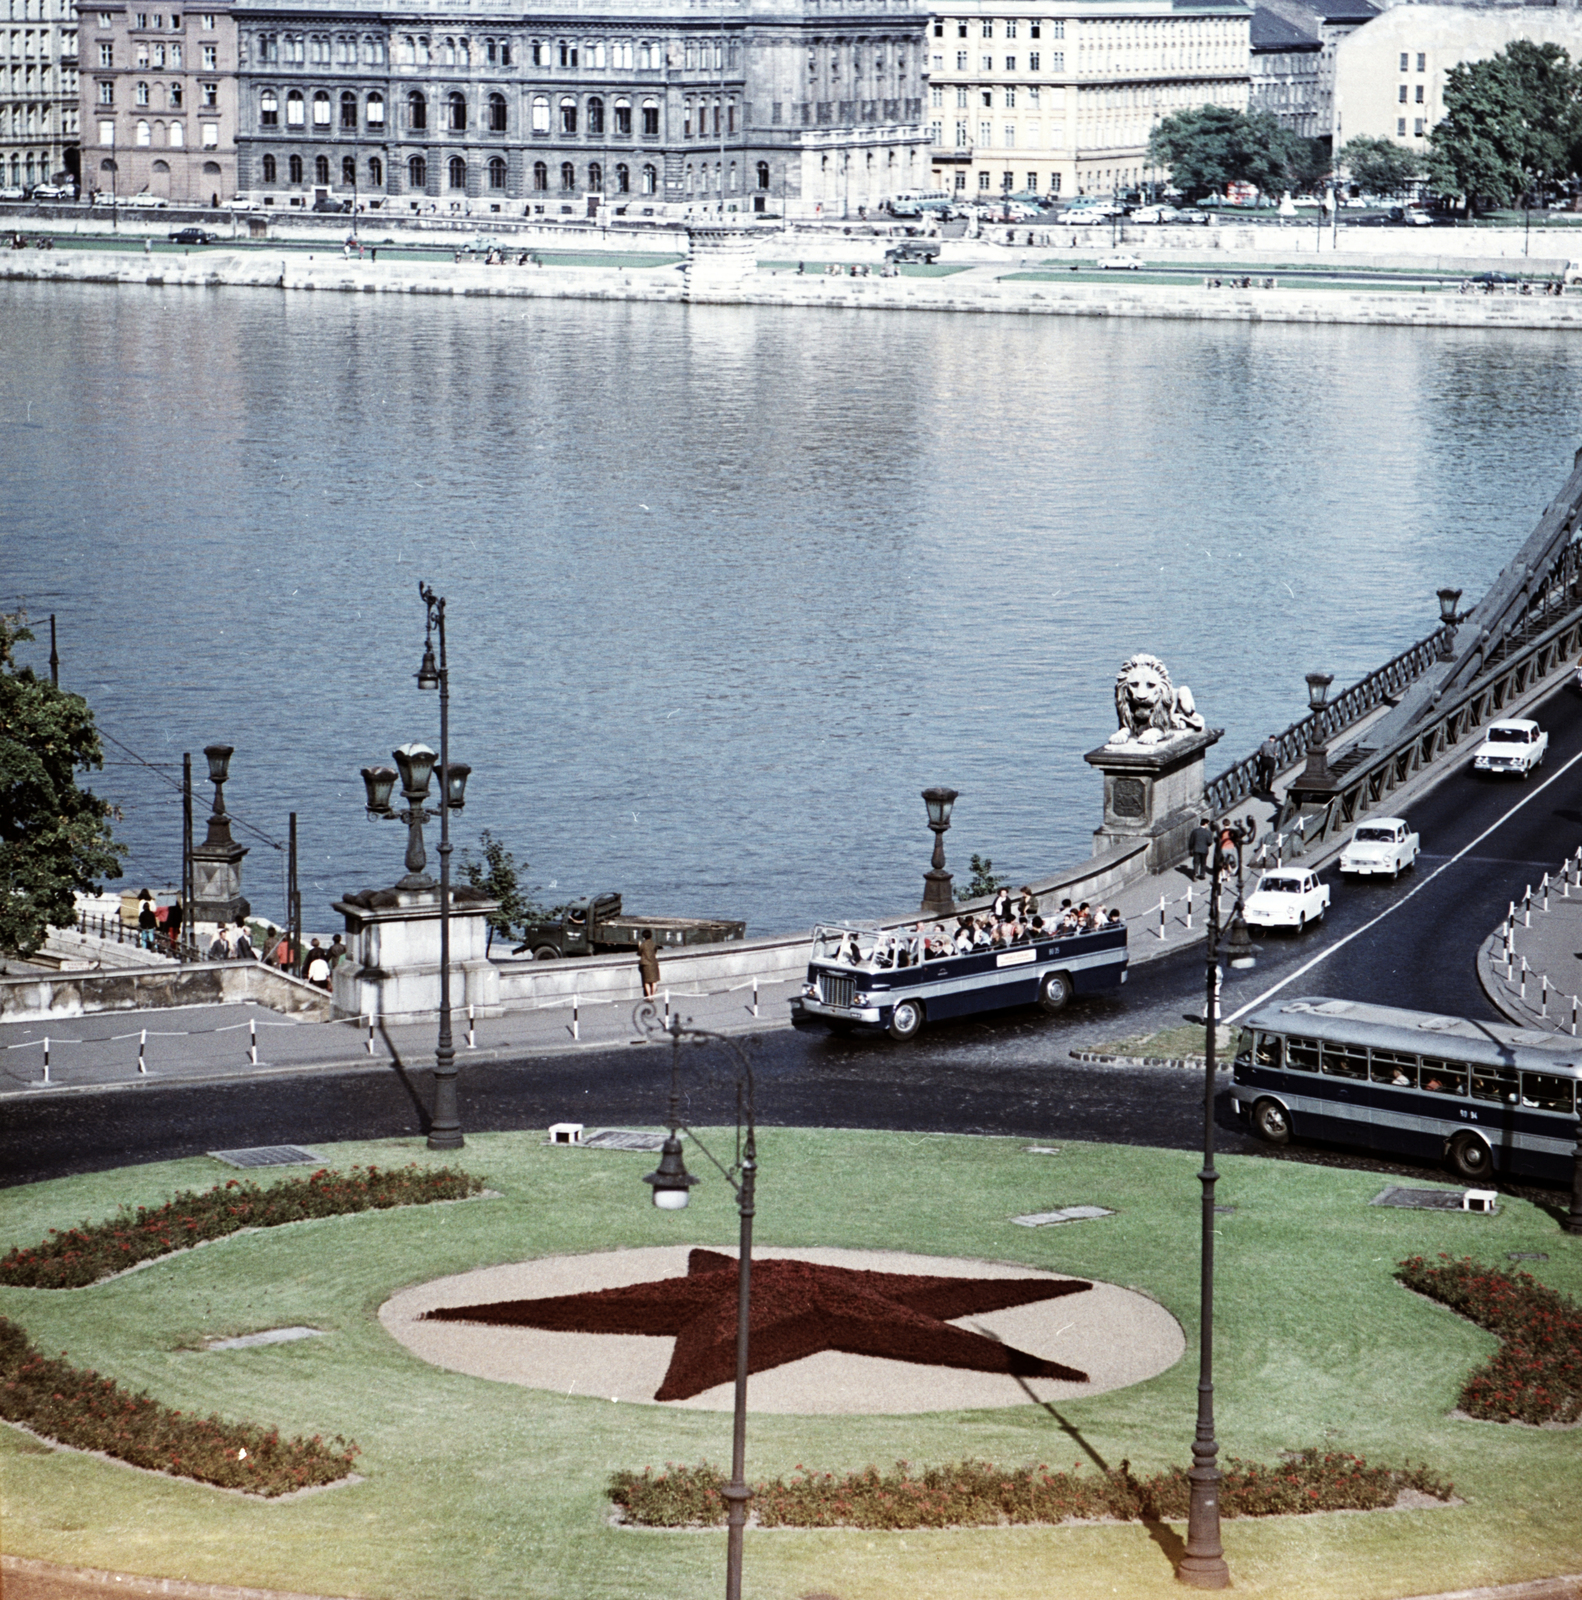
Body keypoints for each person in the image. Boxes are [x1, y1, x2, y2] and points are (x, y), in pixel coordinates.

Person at [637, 928, 660, 998]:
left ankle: (649, 996)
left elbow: (639, 953)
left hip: (645, 965)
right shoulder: (653, 943)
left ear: (644, 936)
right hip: (653, 964)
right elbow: (655, 951)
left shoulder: (643, 944)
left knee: (646, 982)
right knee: (654, 981)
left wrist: (639, 946)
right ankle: (653, 995)